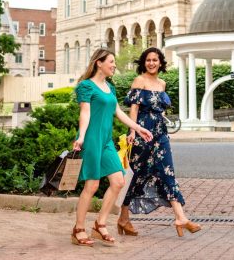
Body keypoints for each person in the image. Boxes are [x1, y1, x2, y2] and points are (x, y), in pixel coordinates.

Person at [72, 48, 153, 247]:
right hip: (91, 140)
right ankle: (78, 229)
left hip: (106, 141)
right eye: (111, 61)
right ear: (99, 63)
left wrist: (138, 128)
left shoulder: (110, 87)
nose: (114, 65)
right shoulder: (86, 86)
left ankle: (100, 224)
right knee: (91, 186)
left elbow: (118, 112)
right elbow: (85, 113)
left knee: (118, 181)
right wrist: (81, 136)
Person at [117, 46, 201, 237]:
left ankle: (180, 217)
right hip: (142, 132)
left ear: (161, 62)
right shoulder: (139, 80)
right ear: (143, 63)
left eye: (155, 60)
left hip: (160, 135)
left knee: (167, 172)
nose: (152, 63)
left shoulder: (162, 83)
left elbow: (160, 110)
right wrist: (132, 131)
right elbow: (134, 109)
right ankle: (123, 218)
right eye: (148, 60)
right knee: (138, 175)